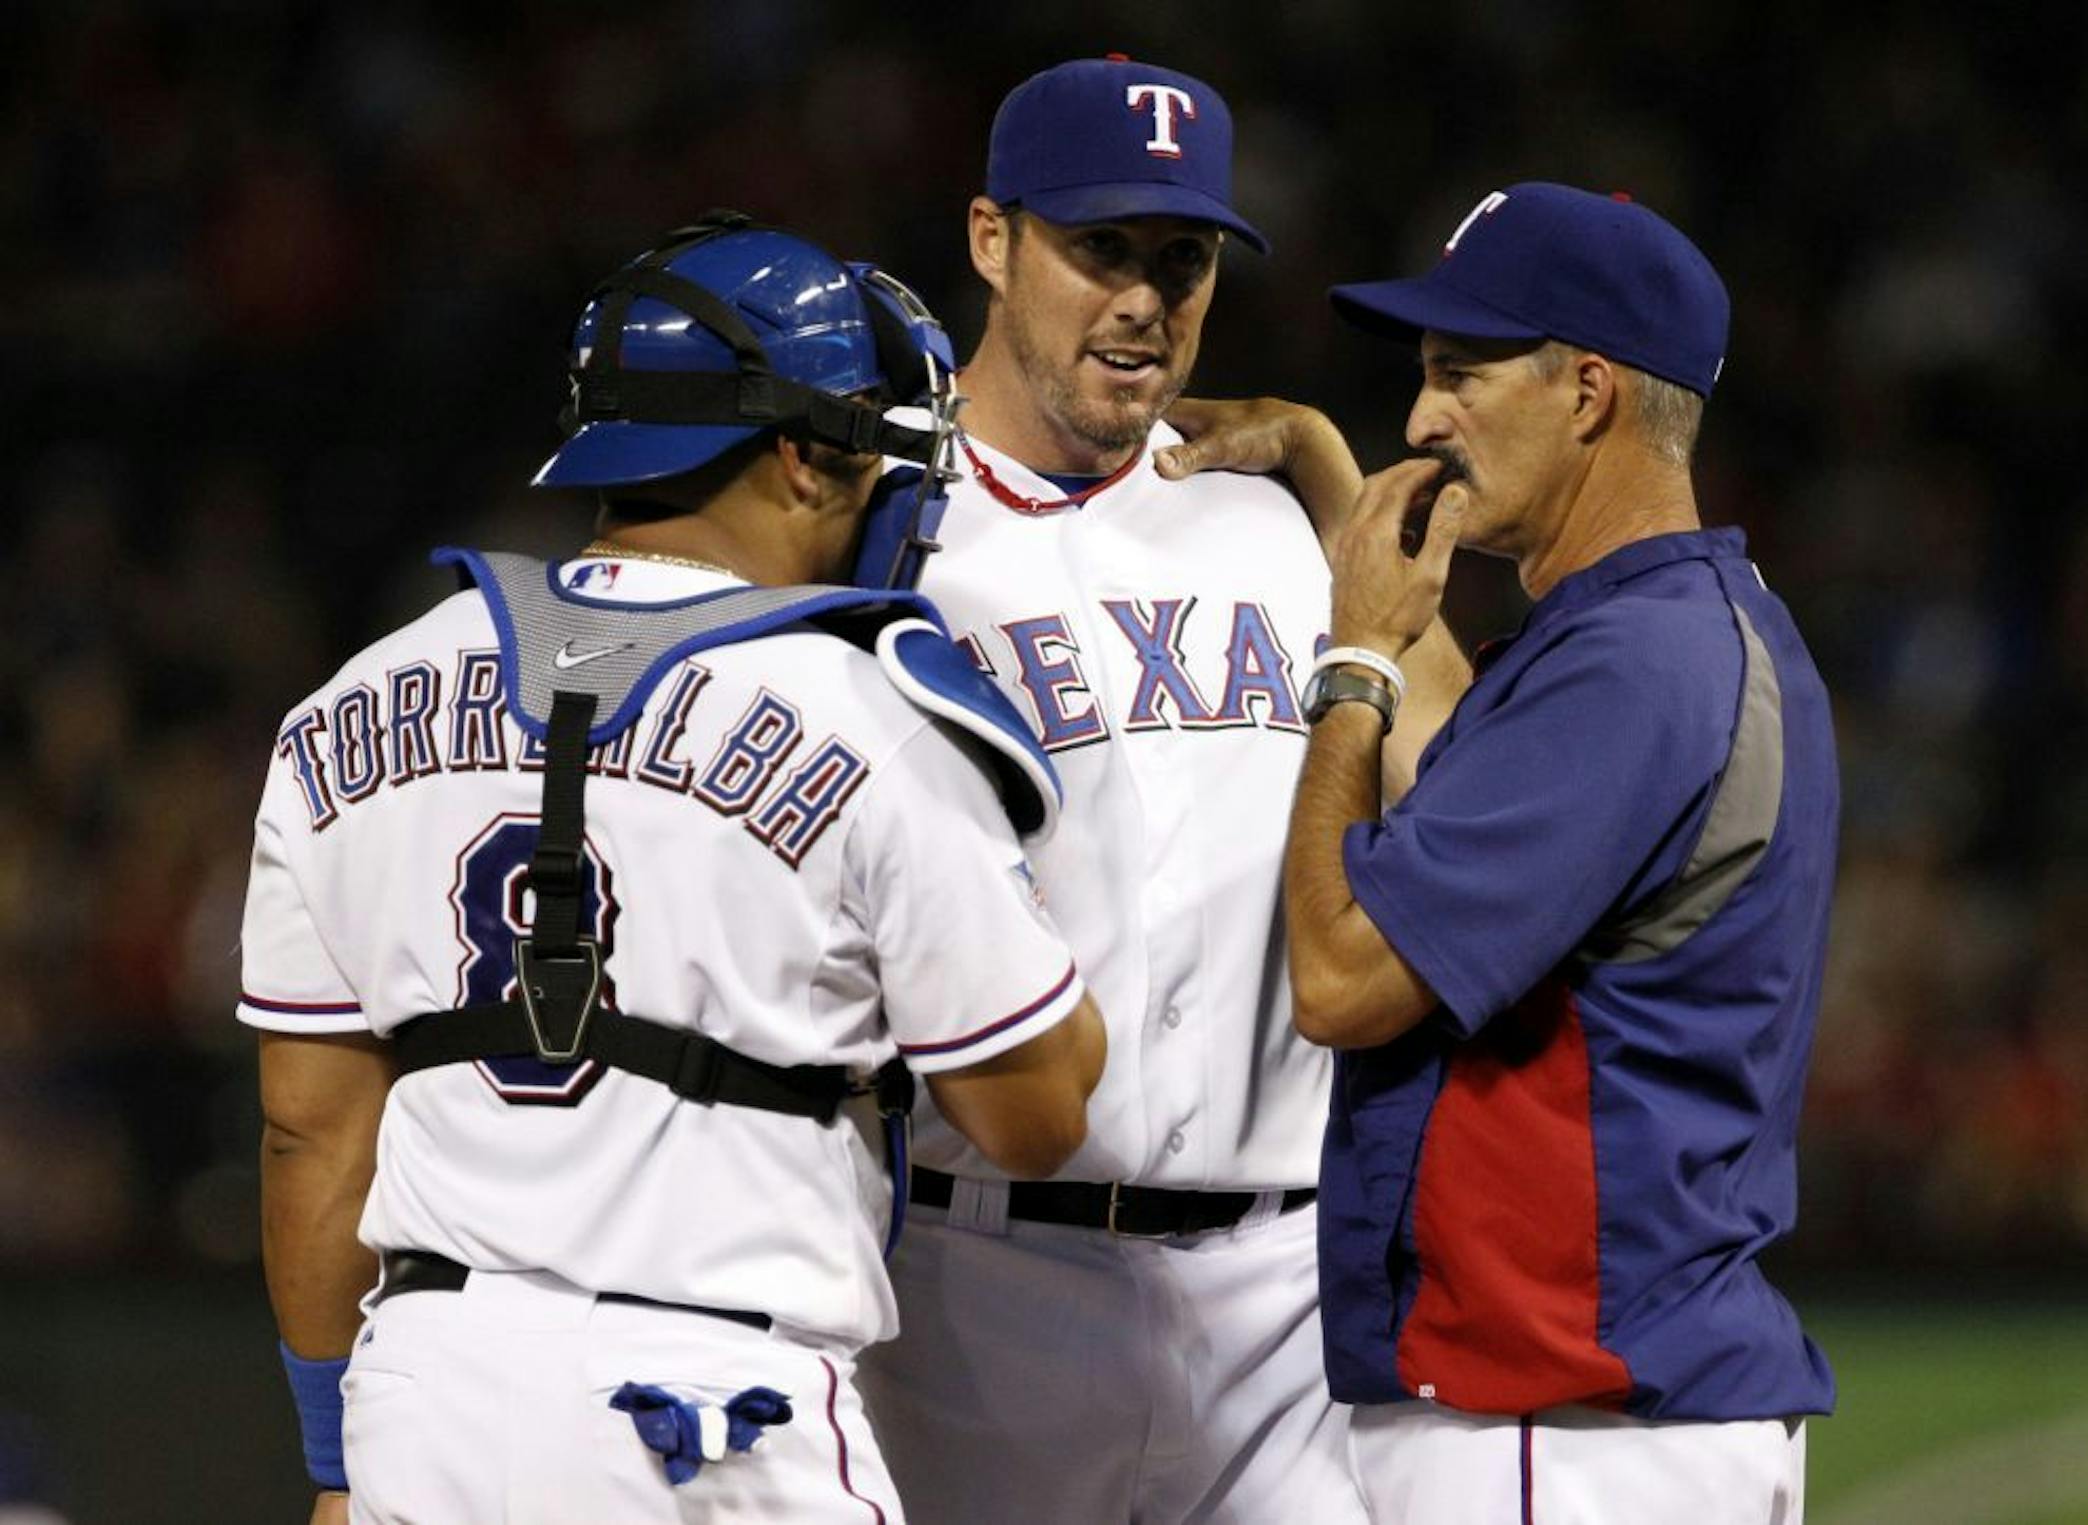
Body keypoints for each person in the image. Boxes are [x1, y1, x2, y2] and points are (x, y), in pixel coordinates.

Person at [240, 213, 1105, 1524]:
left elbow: (312, 1127)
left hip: (428, 1392)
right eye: (872, 453)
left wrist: (332, 1460)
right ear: (806, 460)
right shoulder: (867, 709)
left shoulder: (356, 696)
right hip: (713, 1409)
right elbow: (1035, 1114)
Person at [855, 56, 1370, 1522]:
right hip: (973, 1284)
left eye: (1182, 258)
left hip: (1281, 1294)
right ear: (990, 239)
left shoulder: (1265, 520)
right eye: (1101, 250)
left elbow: (1449, 772)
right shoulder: (878, 530)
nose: (1145, 299)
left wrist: (1334, 475)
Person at [1286, 181, 1837, 1522]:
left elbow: (1341, 979)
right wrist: (1317, 463)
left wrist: (1351, 661)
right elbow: (1457, 794)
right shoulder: (1681, 626)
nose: (1422, 419)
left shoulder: (1631, 668)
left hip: (1563, 1420)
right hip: (1629, 1411)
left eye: (1459, 372)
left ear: (1588, 390)